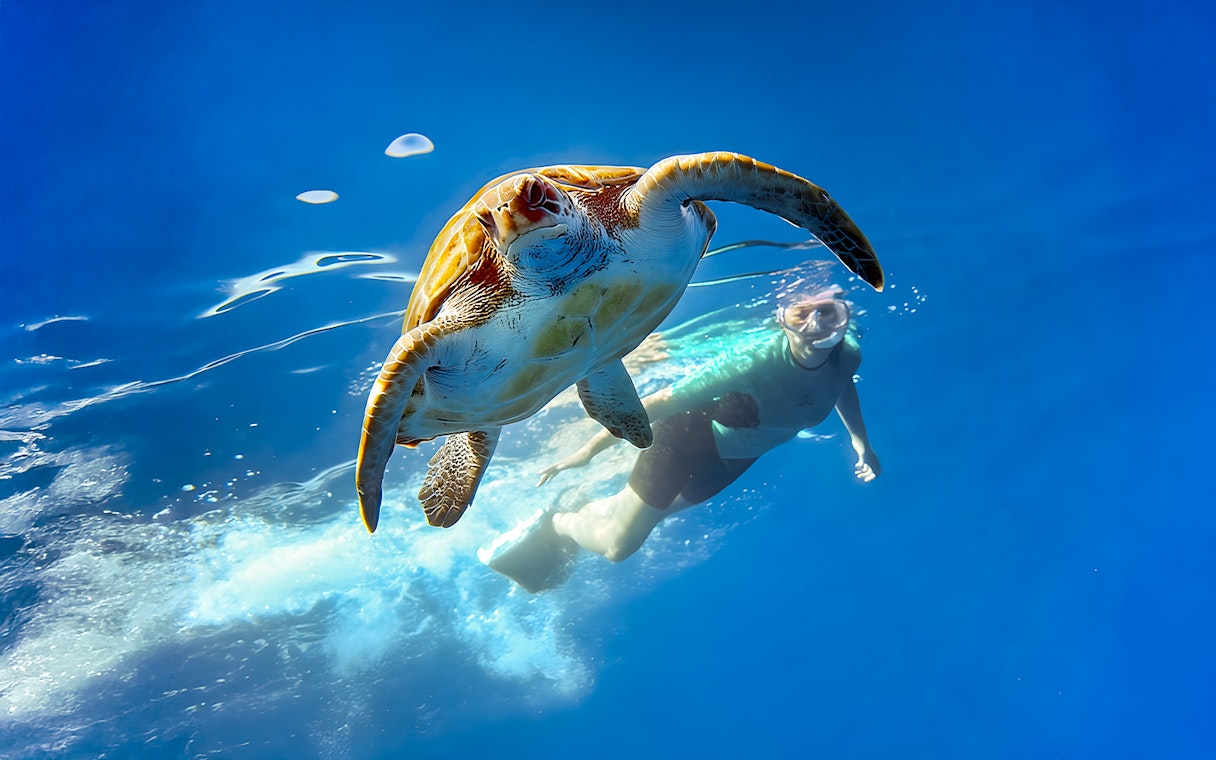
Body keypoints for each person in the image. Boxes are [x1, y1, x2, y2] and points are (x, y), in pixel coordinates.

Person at [482, 285, 881, 592]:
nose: (816, 325)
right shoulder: (753, 361)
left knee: (644, 516)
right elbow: (656, 404)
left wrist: (860, 443)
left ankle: (582, 513)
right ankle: (557, 524)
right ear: (783, 321)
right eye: (801, 314)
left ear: (843, 316)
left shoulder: (849, 354)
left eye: (827, 313)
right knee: (619, 548)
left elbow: (841, 386)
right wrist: (587, 451)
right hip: (689, 438)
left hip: (737, 460)